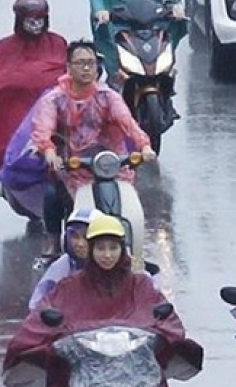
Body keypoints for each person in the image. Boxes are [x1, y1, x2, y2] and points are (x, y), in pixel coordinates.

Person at [4, 215, 202, 387]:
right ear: (91, 249)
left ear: (122, 249)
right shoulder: (69, 285)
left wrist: (163, 330)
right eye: (100, 248)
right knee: (56, 363)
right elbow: (47, 309)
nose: (107, 255)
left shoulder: (139, 284)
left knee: (154, 368)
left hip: (129, 362)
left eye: (113, 248)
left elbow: (159, 310)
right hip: (86, 362)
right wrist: (47, 329)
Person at [30, 39, 154, 261]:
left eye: (91, 62)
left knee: (132, 207)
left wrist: (144, 146)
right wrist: (49, 152)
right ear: (68, 66)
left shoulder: (108, 97)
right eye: (80, 63)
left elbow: (127, 123)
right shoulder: (55, 100)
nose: (86, 68)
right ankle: (54, 241)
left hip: (111, 167)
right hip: (73, 168)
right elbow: (43, 129)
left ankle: (134, 255)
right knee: (51, 194)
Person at [0, 0, 68, 169]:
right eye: (30, 20)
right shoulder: (5, 46)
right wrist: (21, 81)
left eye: (40, 19)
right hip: (14, 110)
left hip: (52, 107)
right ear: (19, 20)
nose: (35, 24)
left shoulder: (57, 43)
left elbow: (67, 73)